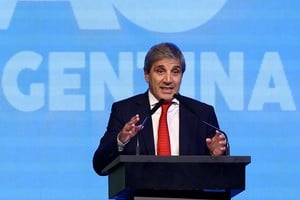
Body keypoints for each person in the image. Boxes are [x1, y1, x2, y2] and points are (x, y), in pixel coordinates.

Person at [93, 42, 227, 176]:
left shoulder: (202, 113)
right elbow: (100, 165)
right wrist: (121, 140)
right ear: (147, 75)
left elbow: (220, 174)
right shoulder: (124, 110)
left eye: (175, 72)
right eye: (160, 71)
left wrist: (215, 154)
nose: (168, 80)